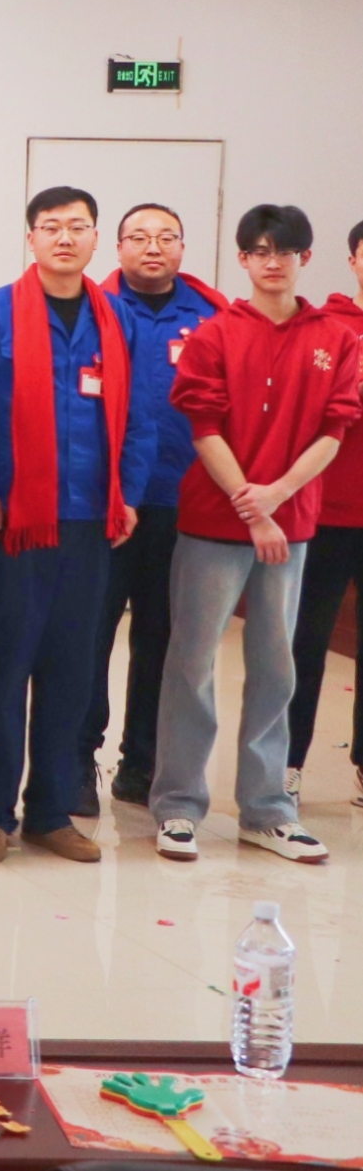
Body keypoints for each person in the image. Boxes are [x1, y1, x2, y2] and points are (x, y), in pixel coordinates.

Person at [152, 205, 359, 866]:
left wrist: (277, 497)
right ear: (242, 258)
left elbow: (334, 430)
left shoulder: (335, 338)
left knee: (276, 664)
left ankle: (267, 809)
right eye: (261, 250)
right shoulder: (214, 333)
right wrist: (253, 506)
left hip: (291, 526)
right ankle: (178, 804)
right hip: (213, 524)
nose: (273, 262)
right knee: (192, 663)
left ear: (305, 258)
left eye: (285, 251)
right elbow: (203, 426)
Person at [0, 186, 155, 865]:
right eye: (51, 227)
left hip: (90, 522)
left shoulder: (117, 318)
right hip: (15, 522)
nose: (64, 238)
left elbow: (140, 417)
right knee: (5, 668)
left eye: (77, 226)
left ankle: (49, 812)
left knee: (72, 669)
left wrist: (128, 492)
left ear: (96, 238)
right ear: (31, 238)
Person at [88, 203, 225, 812]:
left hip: (181, 501)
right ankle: (78, 756)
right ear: (117, 248)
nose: (152, 247)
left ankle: (141, 763)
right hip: (105, 502)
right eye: (139, 237)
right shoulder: (93, 308)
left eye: (166, 237)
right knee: (90, 635)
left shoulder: (212, 315)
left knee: (161, 639)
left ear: (182, 248)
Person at [291, 225, 363, 806]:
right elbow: (300, 409)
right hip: (326, 512)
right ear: (353, 261)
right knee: (305, 640)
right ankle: (287, 764)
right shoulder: (325, 328)